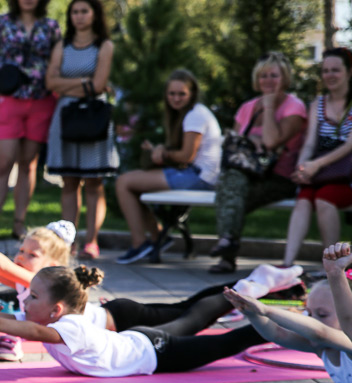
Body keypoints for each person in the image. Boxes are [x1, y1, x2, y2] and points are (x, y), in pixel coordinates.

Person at [0, 208, 303, 337]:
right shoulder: (35, 280)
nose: (22, 257)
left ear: (53, 260)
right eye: (21, 251)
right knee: (188, 309)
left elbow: (1, 266)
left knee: (192, 313)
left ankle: (255, 284)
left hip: (123, 317)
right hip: (118, 318)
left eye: (31, 253)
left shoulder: (49, 279)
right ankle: (254, 284)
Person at [0, 265, 265, 377]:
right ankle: (247, 288)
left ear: (55, 309)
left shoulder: (69, 327)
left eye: (32, 297)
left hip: (156, 351)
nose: (25, 302)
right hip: (141, 340)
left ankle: (276, 320)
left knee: (225, 341)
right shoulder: (57, 320)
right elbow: (21, 323)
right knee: (192, 317)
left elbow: (30, 331)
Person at [208, 52, 306, 274]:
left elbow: (271, 141)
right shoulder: (247, 108)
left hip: (280, 177)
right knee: (232, 183)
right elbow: (234, 143)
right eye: (263, 76)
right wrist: (252, 139)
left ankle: (227, 249)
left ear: (285, 78)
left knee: (230, 192)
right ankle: (228, 243)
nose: (268, 81)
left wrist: (269, 107)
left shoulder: (295, 107)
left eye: (274, 75)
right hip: (248, 173)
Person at [115, 69, 222, 264]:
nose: (176, 98)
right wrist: (159, 151)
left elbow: (187, 156)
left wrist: (162, 153)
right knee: (131, 182)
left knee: (124, 182)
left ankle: (141, 243)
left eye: (182, 94)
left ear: (192, 93)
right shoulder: (188, 113)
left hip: (200, 177)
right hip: (194, 173)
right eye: (172, 94)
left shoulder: (195, 115)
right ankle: (157, 237)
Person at [0, 0, 61, 244]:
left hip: (41, 101)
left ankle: (19, 224)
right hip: (9, 100)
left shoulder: (50, 27)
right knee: (3, 162)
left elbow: (57, 63)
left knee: (29, 164)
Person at [226, 242, 352, 383]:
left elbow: (322, 331)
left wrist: (266, 310)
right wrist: (253, 314)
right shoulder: (321, 349)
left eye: (322, 314)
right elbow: (277, 334)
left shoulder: (349, 344)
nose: (312, 319)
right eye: (309, 313)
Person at [44, 0, 118, 260]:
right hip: (66, 117)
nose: (79, 16)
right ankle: (68, 242)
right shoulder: (61, 46)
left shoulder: (104, 46)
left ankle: (91, 241)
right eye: (75, 11)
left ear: (95, 14)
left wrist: (68, 85)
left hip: (94, 117)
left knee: (94, 182)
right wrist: (84, 82)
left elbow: (99, 85)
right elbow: (50, 82)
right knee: (69, 181)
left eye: (84, 11)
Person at [282, 48, 352, 267]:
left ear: (349, 72)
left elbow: (350, 144)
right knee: (303, 198)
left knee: (324, 199)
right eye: (325, 70)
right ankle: (287, 264)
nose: (329, 75)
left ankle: (334, 266)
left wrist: (316, 164)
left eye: (335, 70)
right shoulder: (317, 104)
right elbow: (310, 143)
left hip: (346, 176)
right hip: (321, 173)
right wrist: (302, 168)